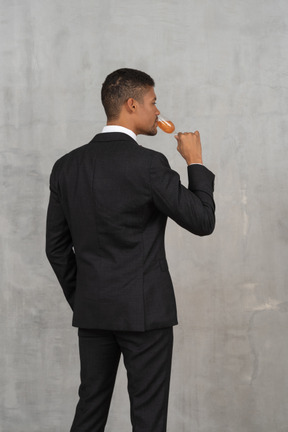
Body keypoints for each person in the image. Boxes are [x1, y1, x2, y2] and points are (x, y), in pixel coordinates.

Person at [46, 68, 215, 432]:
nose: (158, 111)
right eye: (154, 103)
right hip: (145, 313)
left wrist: (85, 298)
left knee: (90, 409)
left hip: (93, 311)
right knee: (148, 418)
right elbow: (202, 221)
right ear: (132, 104)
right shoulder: (149, 165)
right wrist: (195, 161)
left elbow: (56, 248)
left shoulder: (66, 166)